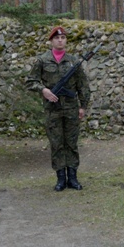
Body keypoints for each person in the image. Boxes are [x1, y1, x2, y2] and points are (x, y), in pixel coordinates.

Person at [26, 26, 90, 191]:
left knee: (71, 143)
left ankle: (73, 178)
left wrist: (83, 105)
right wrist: (44, 90)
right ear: (51, 41)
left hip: (71, 108)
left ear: (66, 40)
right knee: (56, 143)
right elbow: (30, 81)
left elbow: (83, 85)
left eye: (63, 38)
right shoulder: (42, 60)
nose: (60, 40)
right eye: (57, 38)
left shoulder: (74, 61)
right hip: (52, 109)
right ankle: (61, 178)